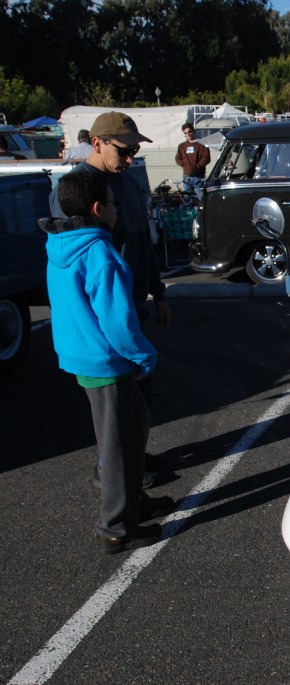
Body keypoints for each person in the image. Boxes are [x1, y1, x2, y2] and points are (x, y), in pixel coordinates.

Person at [39, 173, 174, 553]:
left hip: (82, 357)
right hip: (107, 361)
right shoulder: (100, 254)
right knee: (118, 447)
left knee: (133, 428)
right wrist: (143, 353)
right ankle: (115, 527)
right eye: (114, 204)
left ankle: (133, 503)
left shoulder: (60, 244)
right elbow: (118, 321)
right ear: (99, 210)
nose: (118, 209)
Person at [49, 111, 173, 485]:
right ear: (98, 143)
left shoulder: (129, 182)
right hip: (105, 319)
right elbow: (71, 261)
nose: (131, 158)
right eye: (124, 150)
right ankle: (112, 473)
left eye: (135, 150)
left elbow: (142, 242)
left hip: (132, 308)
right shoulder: (75, 190)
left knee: (138, 402)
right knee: (114, 412)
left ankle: (133, 458)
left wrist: (159, 293)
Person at [174, 123, 210, 198]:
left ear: (193, 131)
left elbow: (206, 158)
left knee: (201, 199)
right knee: (187, 199)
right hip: (186, 177)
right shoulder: (182, 146)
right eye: (186, 133)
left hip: (198, 177)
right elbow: (177, 158)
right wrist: (184, 164)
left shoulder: (202, 144)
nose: (188, 134)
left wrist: (196, 167)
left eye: (189, 131)